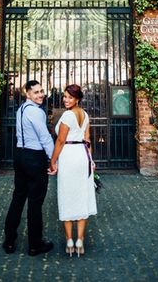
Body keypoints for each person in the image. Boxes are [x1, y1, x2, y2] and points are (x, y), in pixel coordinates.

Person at [3, 80, 55, 256]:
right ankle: (35, 244)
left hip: (20, 156)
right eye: (36, 92)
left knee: (18, 198)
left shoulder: (21, 110)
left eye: (41, 91)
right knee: (35, 202)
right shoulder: (36, 112)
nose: (40, 95)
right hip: (34, 158)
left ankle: (9, 242)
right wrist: (54, 160)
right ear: (28, 94)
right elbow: (45, 138)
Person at [49, 84, 97, 257]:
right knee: (82, 195)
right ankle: (80, 241)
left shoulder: (68, 115)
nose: (65, 100)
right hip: (82, 156)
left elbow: (60, 141)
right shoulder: (85, 115)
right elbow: (87, 140)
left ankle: (70, 241)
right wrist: (90, 160)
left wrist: (52, 161)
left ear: (77, 99)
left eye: (69, 97)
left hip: (68, 156)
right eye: (64, 96)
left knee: (67, 195)